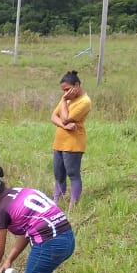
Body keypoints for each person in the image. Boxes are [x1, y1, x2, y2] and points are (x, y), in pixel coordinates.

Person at [50, 70, 91, 206]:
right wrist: (64, 125)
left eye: (67, 89)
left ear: (77, 85)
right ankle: (56, 201)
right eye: (63, 91)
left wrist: (63, 103)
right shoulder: (67, 99)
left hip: (73, 143)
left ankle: (73, 205)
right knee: (58, 174)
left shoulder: (84, 102)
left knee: (73, 173)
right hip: (59, 142)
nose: (65, 93)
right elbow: (53, 117)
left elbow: (66, 118)